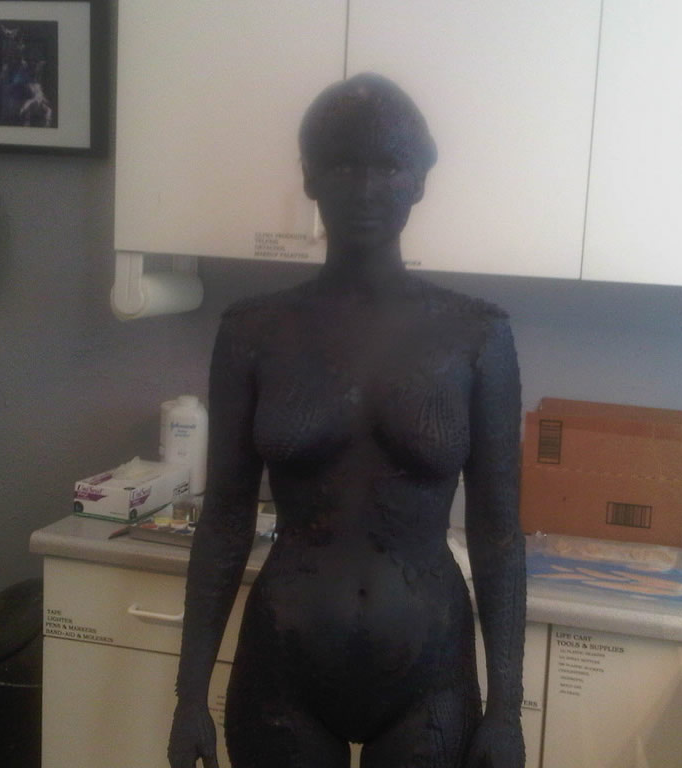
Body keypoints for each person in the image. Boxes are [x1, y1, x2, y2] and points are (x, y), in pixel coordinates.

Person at [168, 73, 526, 768]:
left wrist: (507, 709)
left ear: (419, 181)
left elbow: (498, 533)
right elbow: (224, 520)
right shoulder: (253, 331)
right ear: (309, 177)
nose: (364, 189)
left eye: (388, 166)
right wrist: (188, 697)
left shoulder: (475, 336)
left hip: (430, 676)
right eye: (341, 164)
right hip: (283, 669)